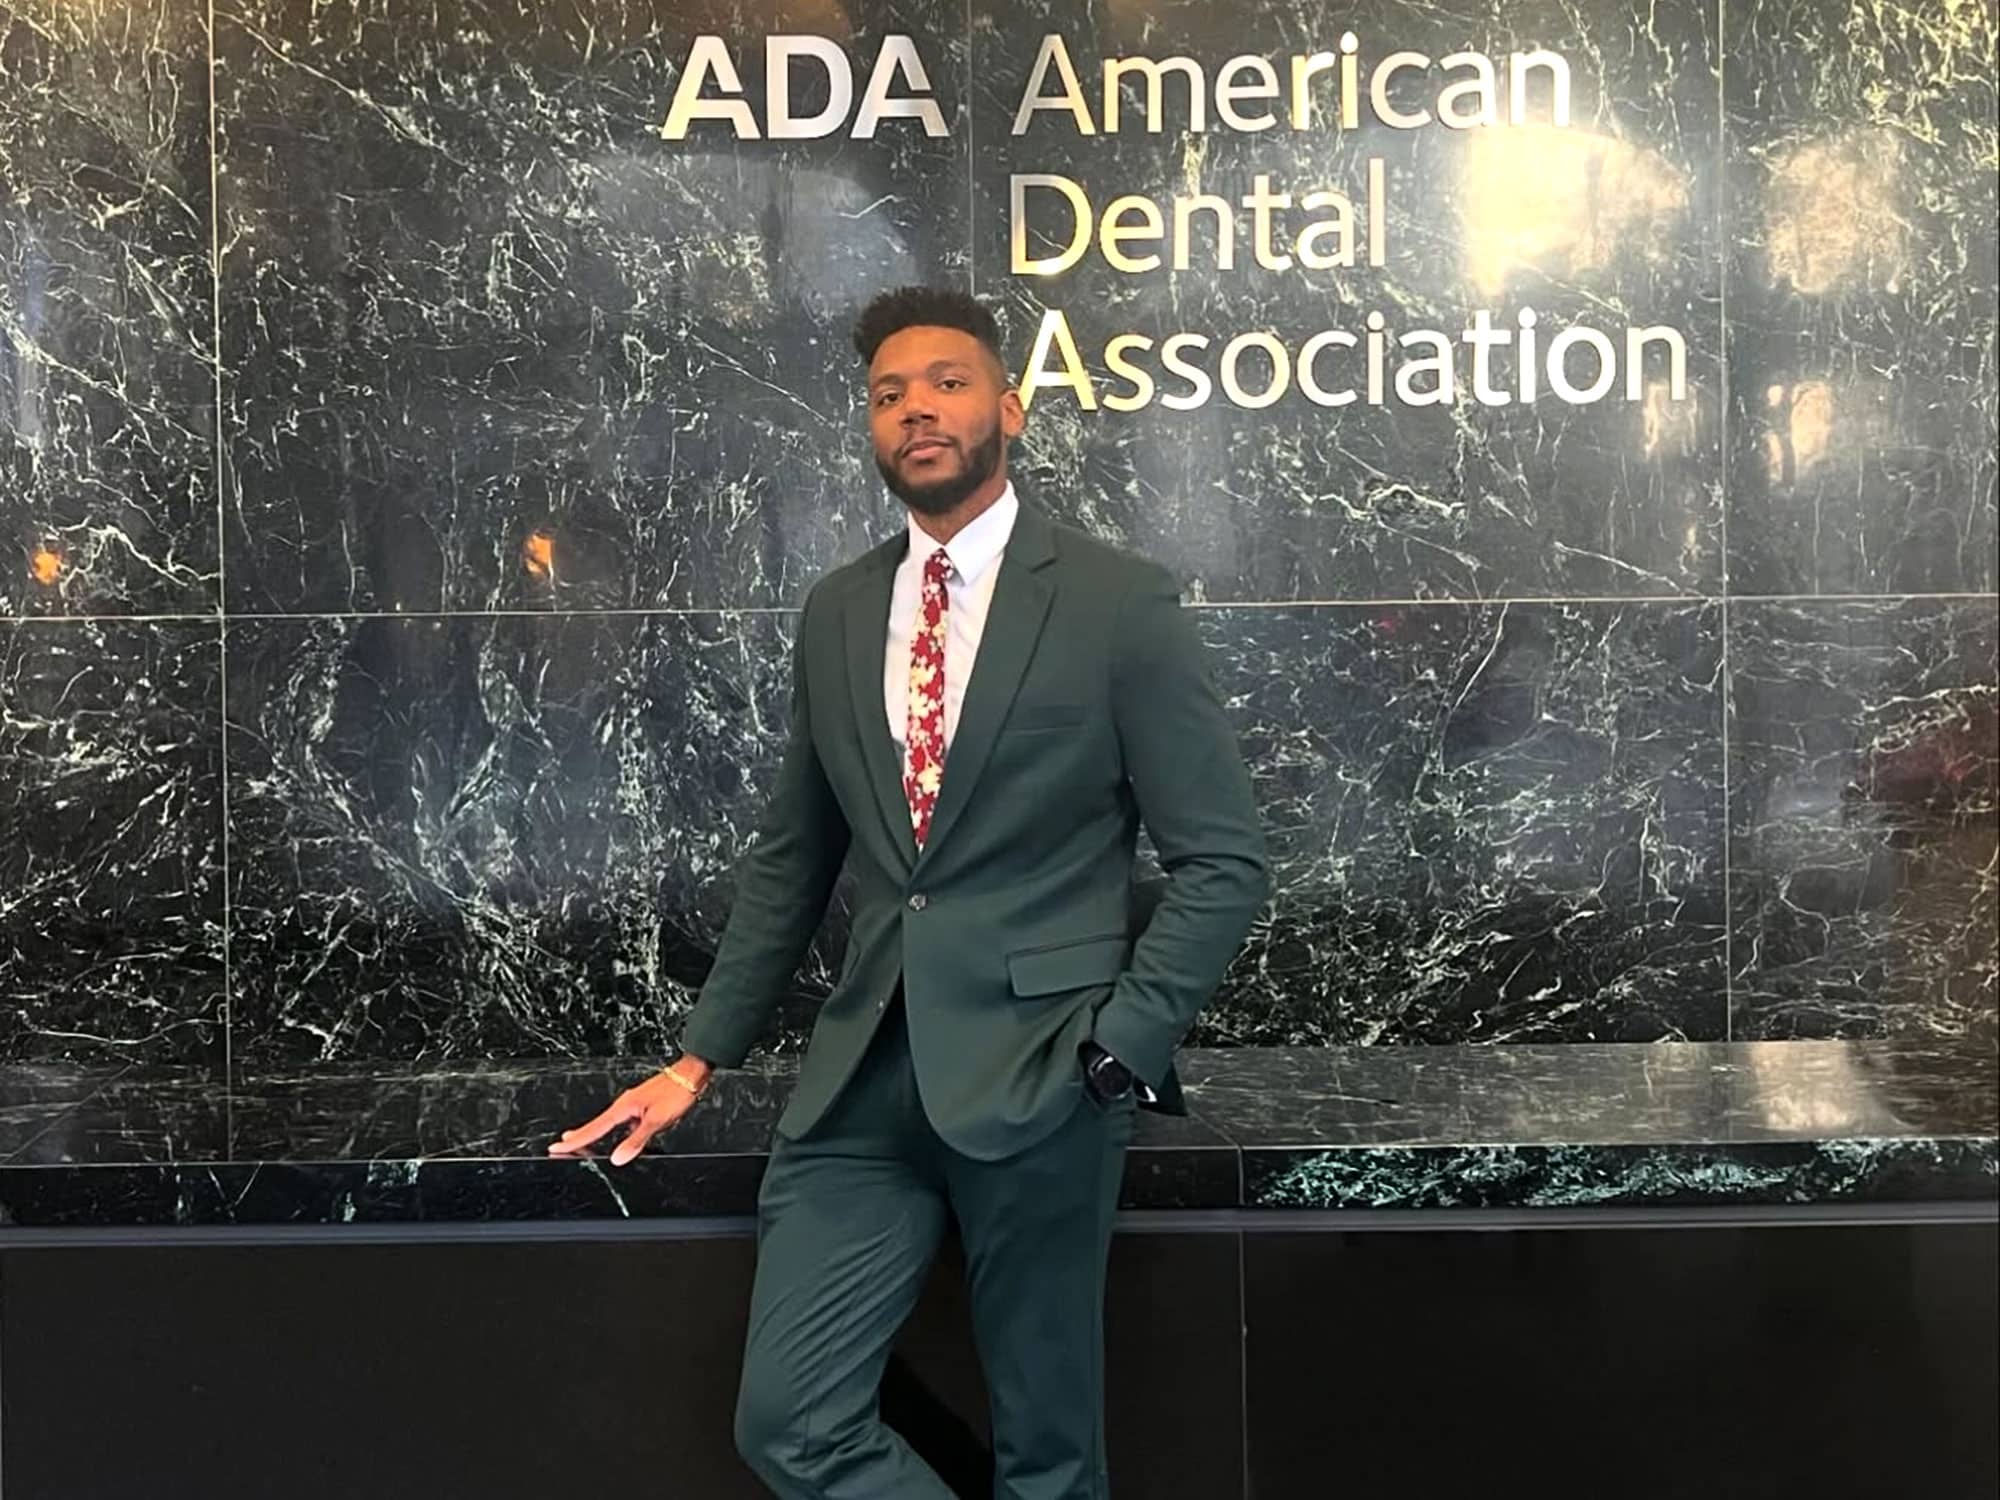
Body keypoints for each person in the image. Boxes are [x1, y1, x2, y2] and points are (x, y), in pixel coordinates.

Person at [549, 285, 1268, 1498]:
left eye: (944, 382)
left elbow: (1224, 860)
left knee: (1048, 1459)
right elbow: (794, 856)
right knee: (790, 1423)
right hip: (859, 1094)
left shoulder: (1112, 601)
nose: (915, 410)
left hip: (1046, 1077)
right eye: (888, 395)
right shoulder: (837, 611)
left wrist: (1118, 1050)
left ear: (1010, 408)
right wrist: (695, 1058)